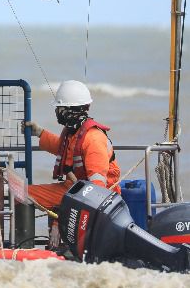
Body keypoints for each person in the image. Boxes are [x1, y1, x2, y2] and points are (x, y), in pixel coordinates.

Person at [21, 80, 121, 213]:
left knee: (21, 193)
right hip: (75, 188)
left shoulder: (93, 139)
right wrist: (40, 133)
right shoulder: (74, 131)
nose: (57, 111)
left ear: (69, 110)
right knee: (21, 192)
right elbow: (64, 150)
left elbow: (98, 190)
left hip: (92, 198)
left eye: (59, 108)